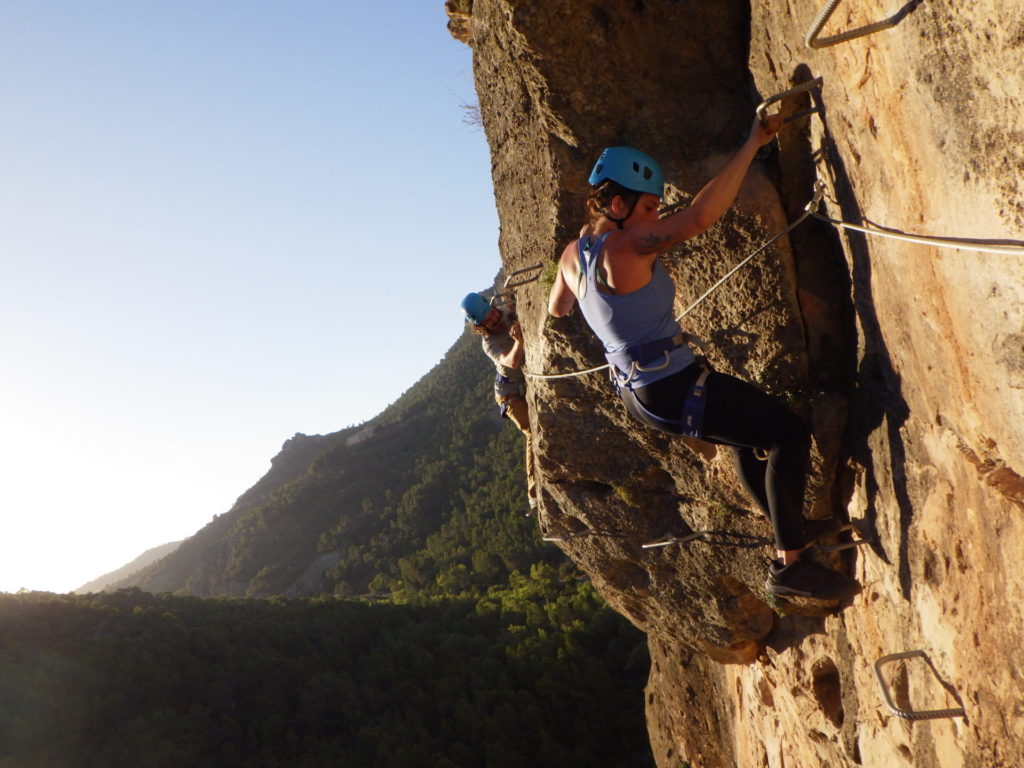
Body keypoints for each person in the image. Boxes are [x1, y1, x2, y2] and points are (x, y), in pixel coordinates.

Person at [546, 113, 860, 601]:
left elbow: (559, 308)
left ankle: (790, 528)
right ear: (617, 203)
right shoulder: (628, 243)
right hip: (670, 385)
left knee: (745, 439)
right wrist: (752, 140)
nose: (656, 217)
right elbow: (698, 217)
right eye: (649, 207)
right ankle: (789, 568)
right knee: (787, 435)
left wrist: (606, 308)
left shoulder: (574, 254)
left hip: (645, 393)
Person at [461, 291, 538, 512]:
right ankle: (534, 495)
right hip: (509, 394)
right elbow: (512, 362)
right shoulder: (489, 344)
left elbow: (514, 306)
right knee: (532, 434)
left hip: (522, 385)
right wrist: (518, 341)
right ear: (479, 325)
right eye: (488, 321)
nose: (494, 320)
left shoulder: (504, 311)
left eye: (493, 315)